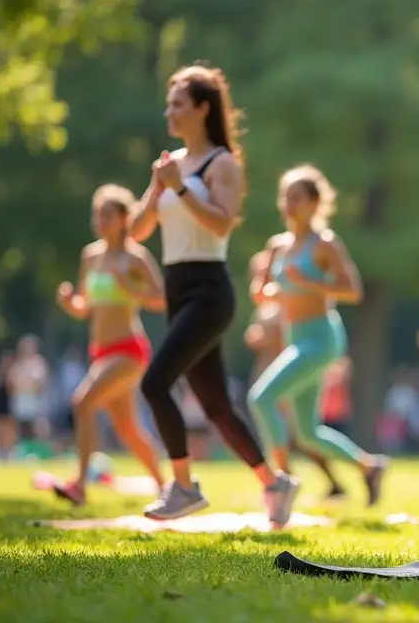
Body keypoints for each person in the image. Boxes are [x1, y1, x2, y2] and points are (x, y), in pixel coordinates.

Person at [129, 64, 296, 522]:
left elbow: (222, 221)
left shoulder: (222, 163)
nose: (170, 111)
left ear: (203, 109)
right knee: (217, 407)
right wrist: (158, 184)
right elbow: (138, 230)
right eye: (168, 104)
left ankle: (183, 486)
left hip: (210, 290)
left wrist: (180, 188)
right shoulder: (173, 166)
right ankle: (274, 484)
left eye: (178, 104)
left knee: (155, 382)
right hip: (177, 288)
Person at [247, 165, 388, 510]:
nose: (288, 204)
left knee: (261, 398)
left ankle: (280, 484)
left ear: (314, 203)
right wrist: (270, 289)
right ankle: (369, 466)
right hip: (295, 337)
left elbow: (352, 291)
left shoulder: (325, 243)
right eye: (285, 197)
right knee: (308, 432)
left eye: (296, 198)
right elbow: (259, 291)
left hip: (322, 338)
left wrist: (308, 283)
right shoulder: (277, 246)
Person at [51, 184, 167, 505]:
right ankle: (166, 485)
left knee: (82, 402)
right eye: (97, 213)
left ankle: (79, 486)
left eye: (107, 214)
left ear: (123, 219)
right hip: (100, 351)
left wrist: (132, 287)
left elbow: (163, 299)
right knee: (128, 428)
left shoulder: (135, 258)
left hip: (129, 350)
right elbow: (83, 307)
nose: (100, 220)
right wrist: (68, 302)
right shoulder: (90, 256)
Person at [245, 251, 347, 500]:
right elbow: (257, 336)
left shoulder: (286, 300)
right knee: (300, 434)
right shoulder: (267, 306)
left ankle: (286, 480)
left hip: (292, 372)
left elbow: (291, 338)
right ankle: (291, 479)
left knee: (301, 434)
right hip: (274, 371)